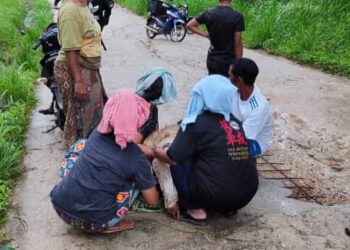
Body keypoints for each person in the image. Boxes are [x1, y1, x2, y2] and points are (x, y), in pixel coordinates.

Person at [152, 75, 259, 224]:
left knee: (178, 159)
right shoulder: (235, 121)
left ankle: (196, 210)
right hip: (245, 195)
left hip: (216, 194)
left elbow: (172, 157)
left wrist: (156, 151)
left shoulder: (196, 123)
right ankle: (226, 208)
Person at [50, 90, 160, 233]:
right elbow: (152, 200)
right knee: (140, 177)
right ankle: (110, 224)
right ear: (137, 120)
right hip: (93, 223)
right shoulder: (137, 158)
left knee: (81, 145)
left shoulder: (96, 135)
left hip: (60, 207)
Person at [54, 0, 107, 148]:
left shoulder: (84, 6)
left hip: (88, 69)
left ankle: (91, 155)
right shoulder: (70, 10)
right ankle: (79, 160)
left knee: (95, 118)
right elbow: (70, 50)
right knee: (81, 120)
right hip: (74, 69)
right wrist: (78, 81)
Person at [187, 0, 244, 77]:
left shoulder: (209, 13)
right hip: (228, 61)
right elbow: (237, 43)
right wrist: (238, 64)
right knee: (227, 86)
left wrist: (206, 35)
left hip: (212, 59)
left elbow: (190, 25)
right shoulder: (237, 16)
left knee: (213, 84)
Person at [228, 58, 273, 157]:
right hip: (235, 129)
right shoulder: (234, 90)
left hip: (254, 141)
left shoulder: (258, 107)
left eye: (230, 76)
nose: (228, 78)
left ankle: (246, 171)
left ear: (239, 80)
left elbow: (242, 139)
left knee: (229, 152)